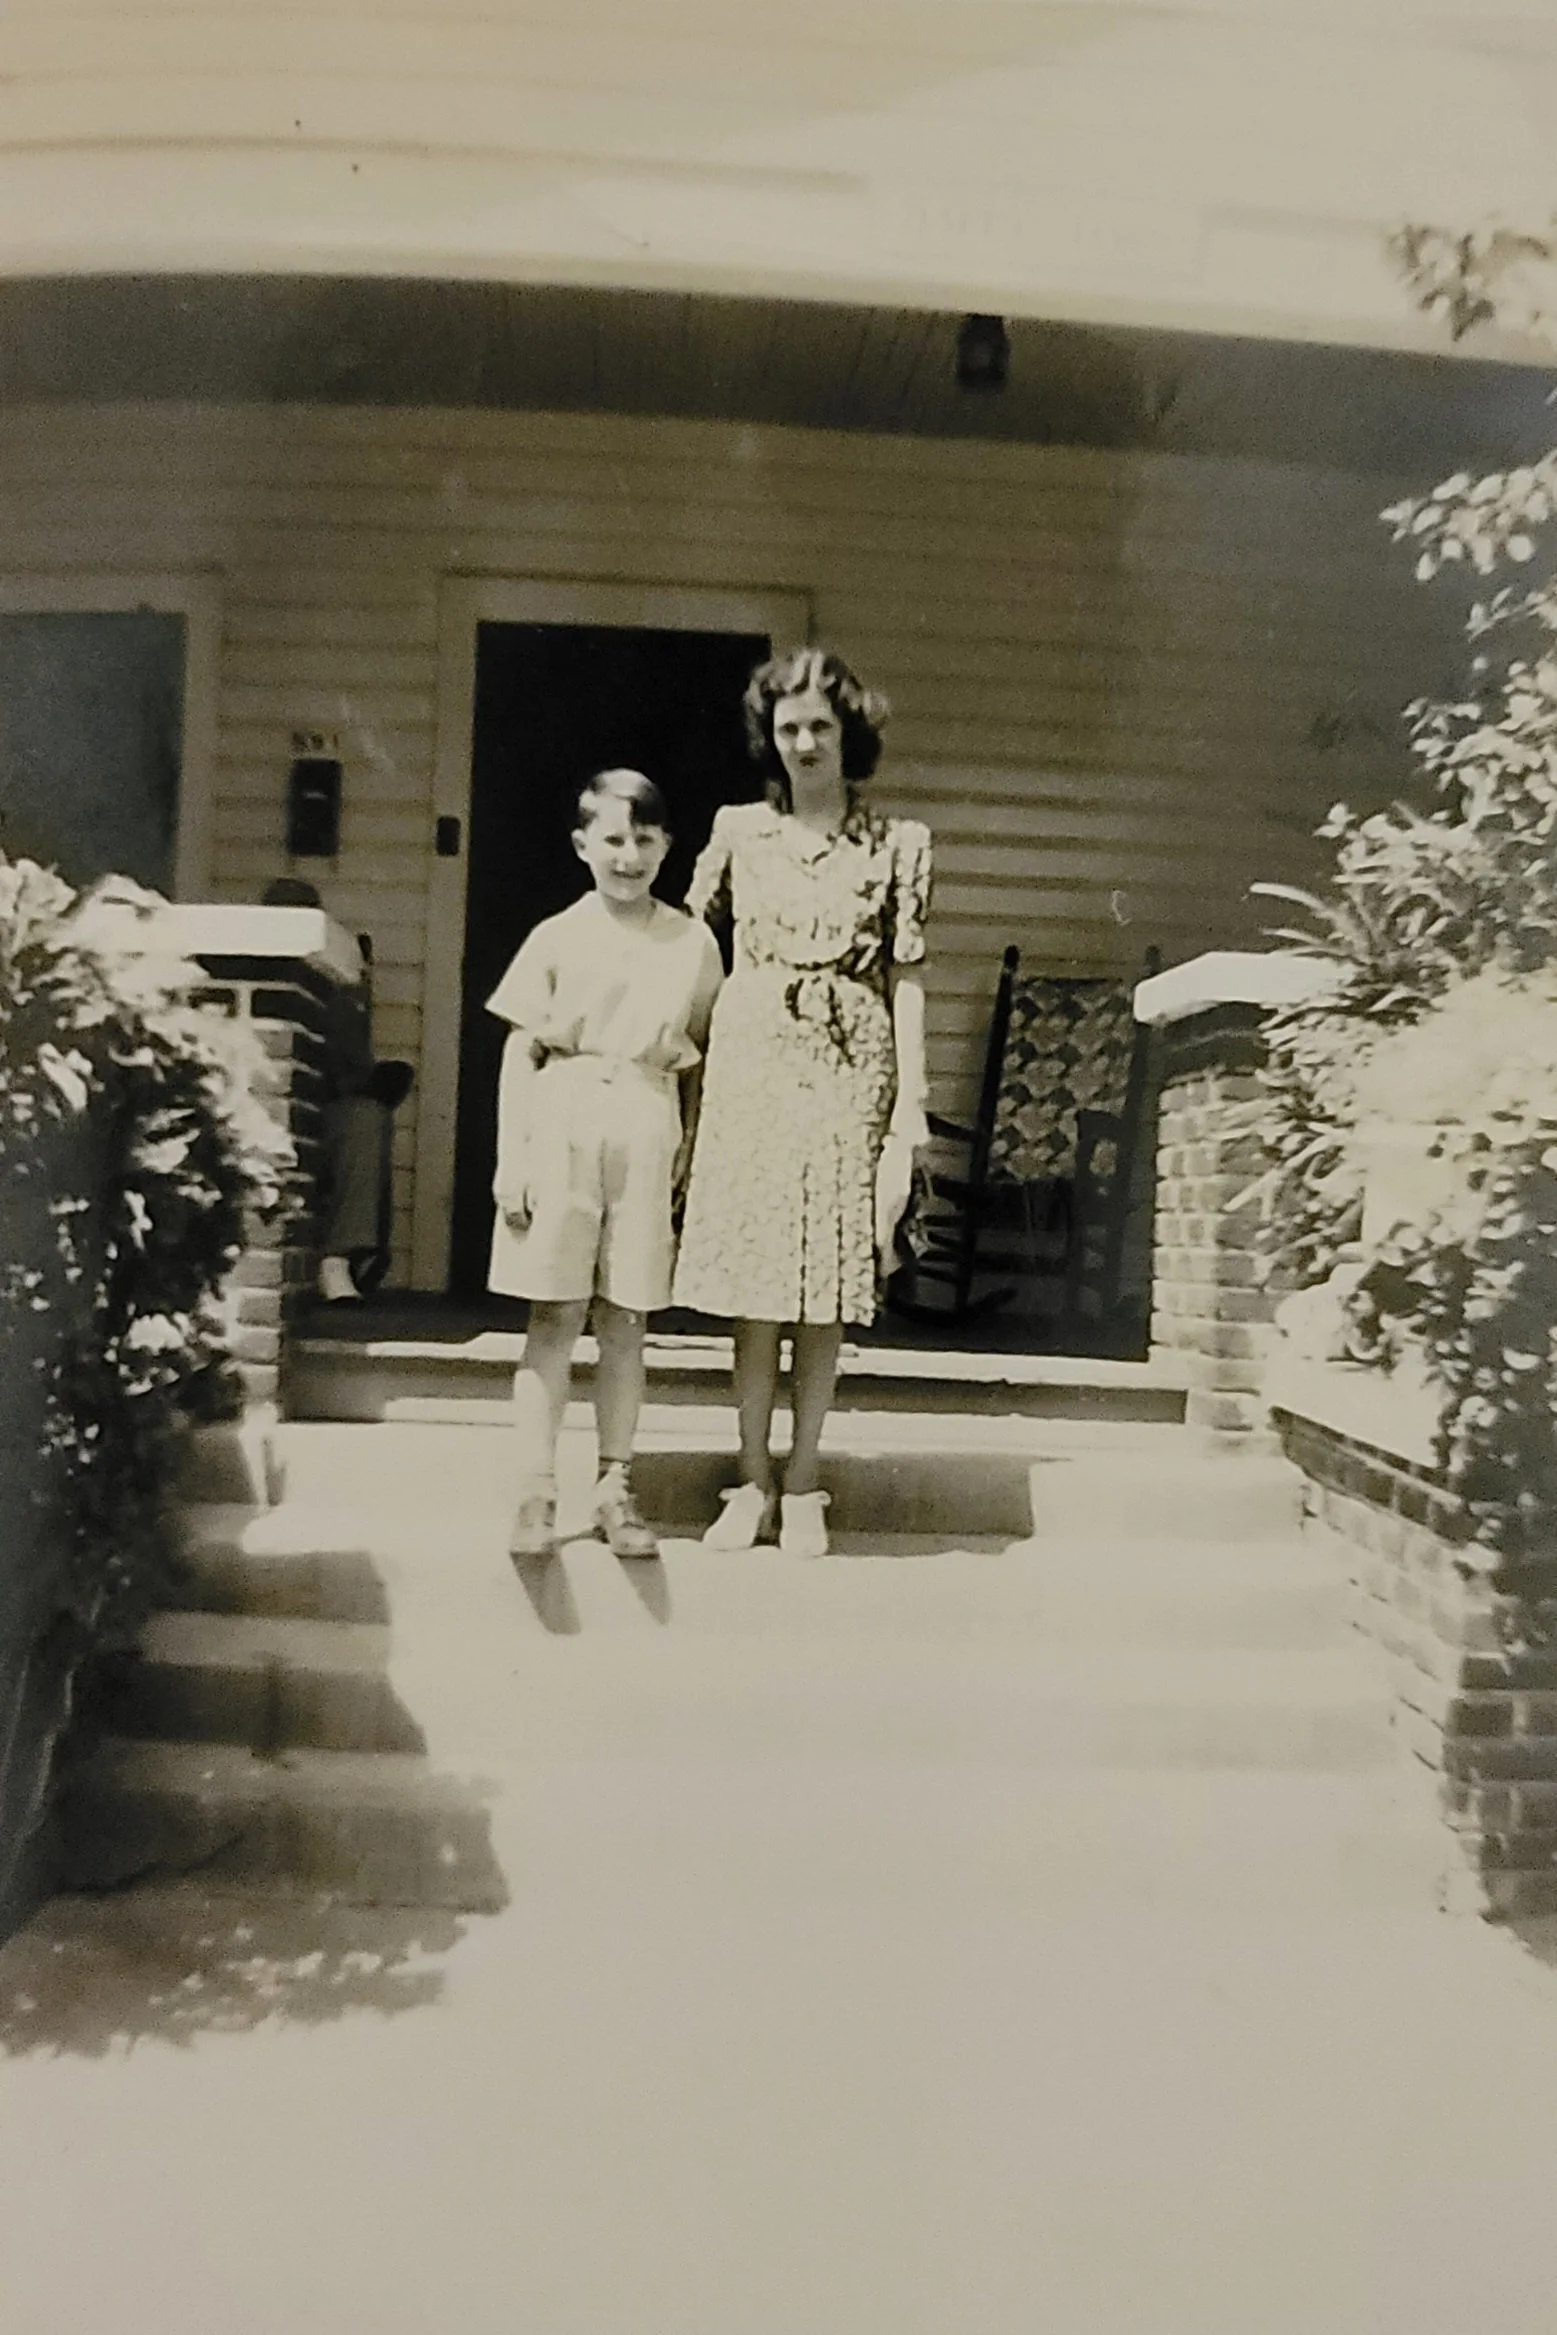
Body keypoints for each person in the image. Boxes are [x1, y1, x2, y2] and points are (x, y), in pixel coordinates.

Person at [672, 648, 933, 1558]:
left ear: (848, 732)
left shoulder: (897, 842)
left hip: (849, 1058)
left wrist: (910, 1107)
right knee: (758, 1280)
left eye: (821, 725)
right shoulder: (739, 831)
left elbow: (906, 977)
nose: (804, 743)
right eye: (788, 728)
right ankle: (749, 1480)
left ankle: (804, 1481)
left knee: (825, 1279)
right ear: (769, 736)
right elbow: (686, 945)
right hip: (752, 1054)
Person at [489, 768, 724, 1562]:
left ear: (667, 845)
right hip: (563, 1114)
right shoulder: (557, 934)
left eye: (644, 839)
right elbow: (520, 1049)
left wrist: (689, 1145)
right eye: (613, 839)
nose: (628, 855)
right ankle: (534, 1488)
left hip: (647, 1116)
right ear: (582, 844)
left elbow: (700, 1055)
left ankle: (614, 1485)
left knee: (626, 1318)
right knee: (553, 1315)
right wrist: (512, 1157)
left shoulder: (692, 942)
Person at [259, 877, 405, 1303]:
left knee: (366, 1119)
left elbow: (351, 1070)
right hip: (256, 1115)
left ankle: (339, 1259)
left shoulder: (331, 984)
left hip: (319, 1115)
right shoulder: (243, 976)